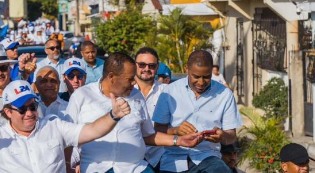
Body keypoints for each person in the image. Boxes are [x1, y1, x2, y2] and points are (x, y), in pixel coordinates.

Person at [0, 80, 148, 173]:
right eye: (22, 109)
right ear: (8, 112)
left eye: (33, 106)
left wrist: (113, 115)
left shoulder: (54, 125)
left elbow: (92, 130)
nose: (29, 113)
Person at [65, 52, 203, 173]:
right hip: (98, 168)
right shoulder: (81, 96)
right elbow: (67, 139)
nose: (134, 83)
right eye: (130, 79)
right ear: (112, 77)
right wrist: (69, 168)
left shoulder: (136, 96)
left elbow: (148, 135)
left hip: (137, 168)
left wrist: (179, 140)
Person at [153, 50, 242, 173]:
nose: (201, 82)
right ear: (187, 70)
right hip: (174, 158)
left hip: (208, 157)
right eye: (196, 76)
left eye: (206, 77)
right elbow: (157, 130)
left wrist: (222, 136)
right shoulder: (169, 92)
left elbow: (231, 136)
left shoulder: (225, 94)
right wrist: (175, 131)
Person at [134, 47, 168, 171]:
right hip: (130, 158)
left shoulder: (167, 92)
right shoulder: (124, 91)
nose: (146, 69)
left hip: (160, 155)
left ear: (157, 67)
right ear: (135, 65)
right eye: (142, 65)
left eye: (151, 66)